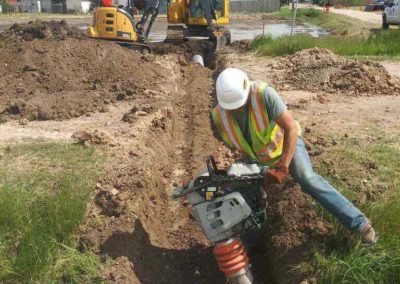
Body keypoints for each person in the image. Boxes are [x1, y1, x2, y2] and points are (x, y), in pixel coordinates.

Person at [212, 68, 378, 244]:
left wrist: (283, 167)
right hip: (259, 158)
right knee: (247, 191)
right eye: (233, 107)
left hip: (286, 145)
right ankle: (253, 245)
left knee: (307, 178)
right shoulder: (218, 115)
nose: (237, 109)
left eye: (240, 105)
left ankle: (360, 224)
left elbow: (290, 128)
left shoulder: (263, 94)